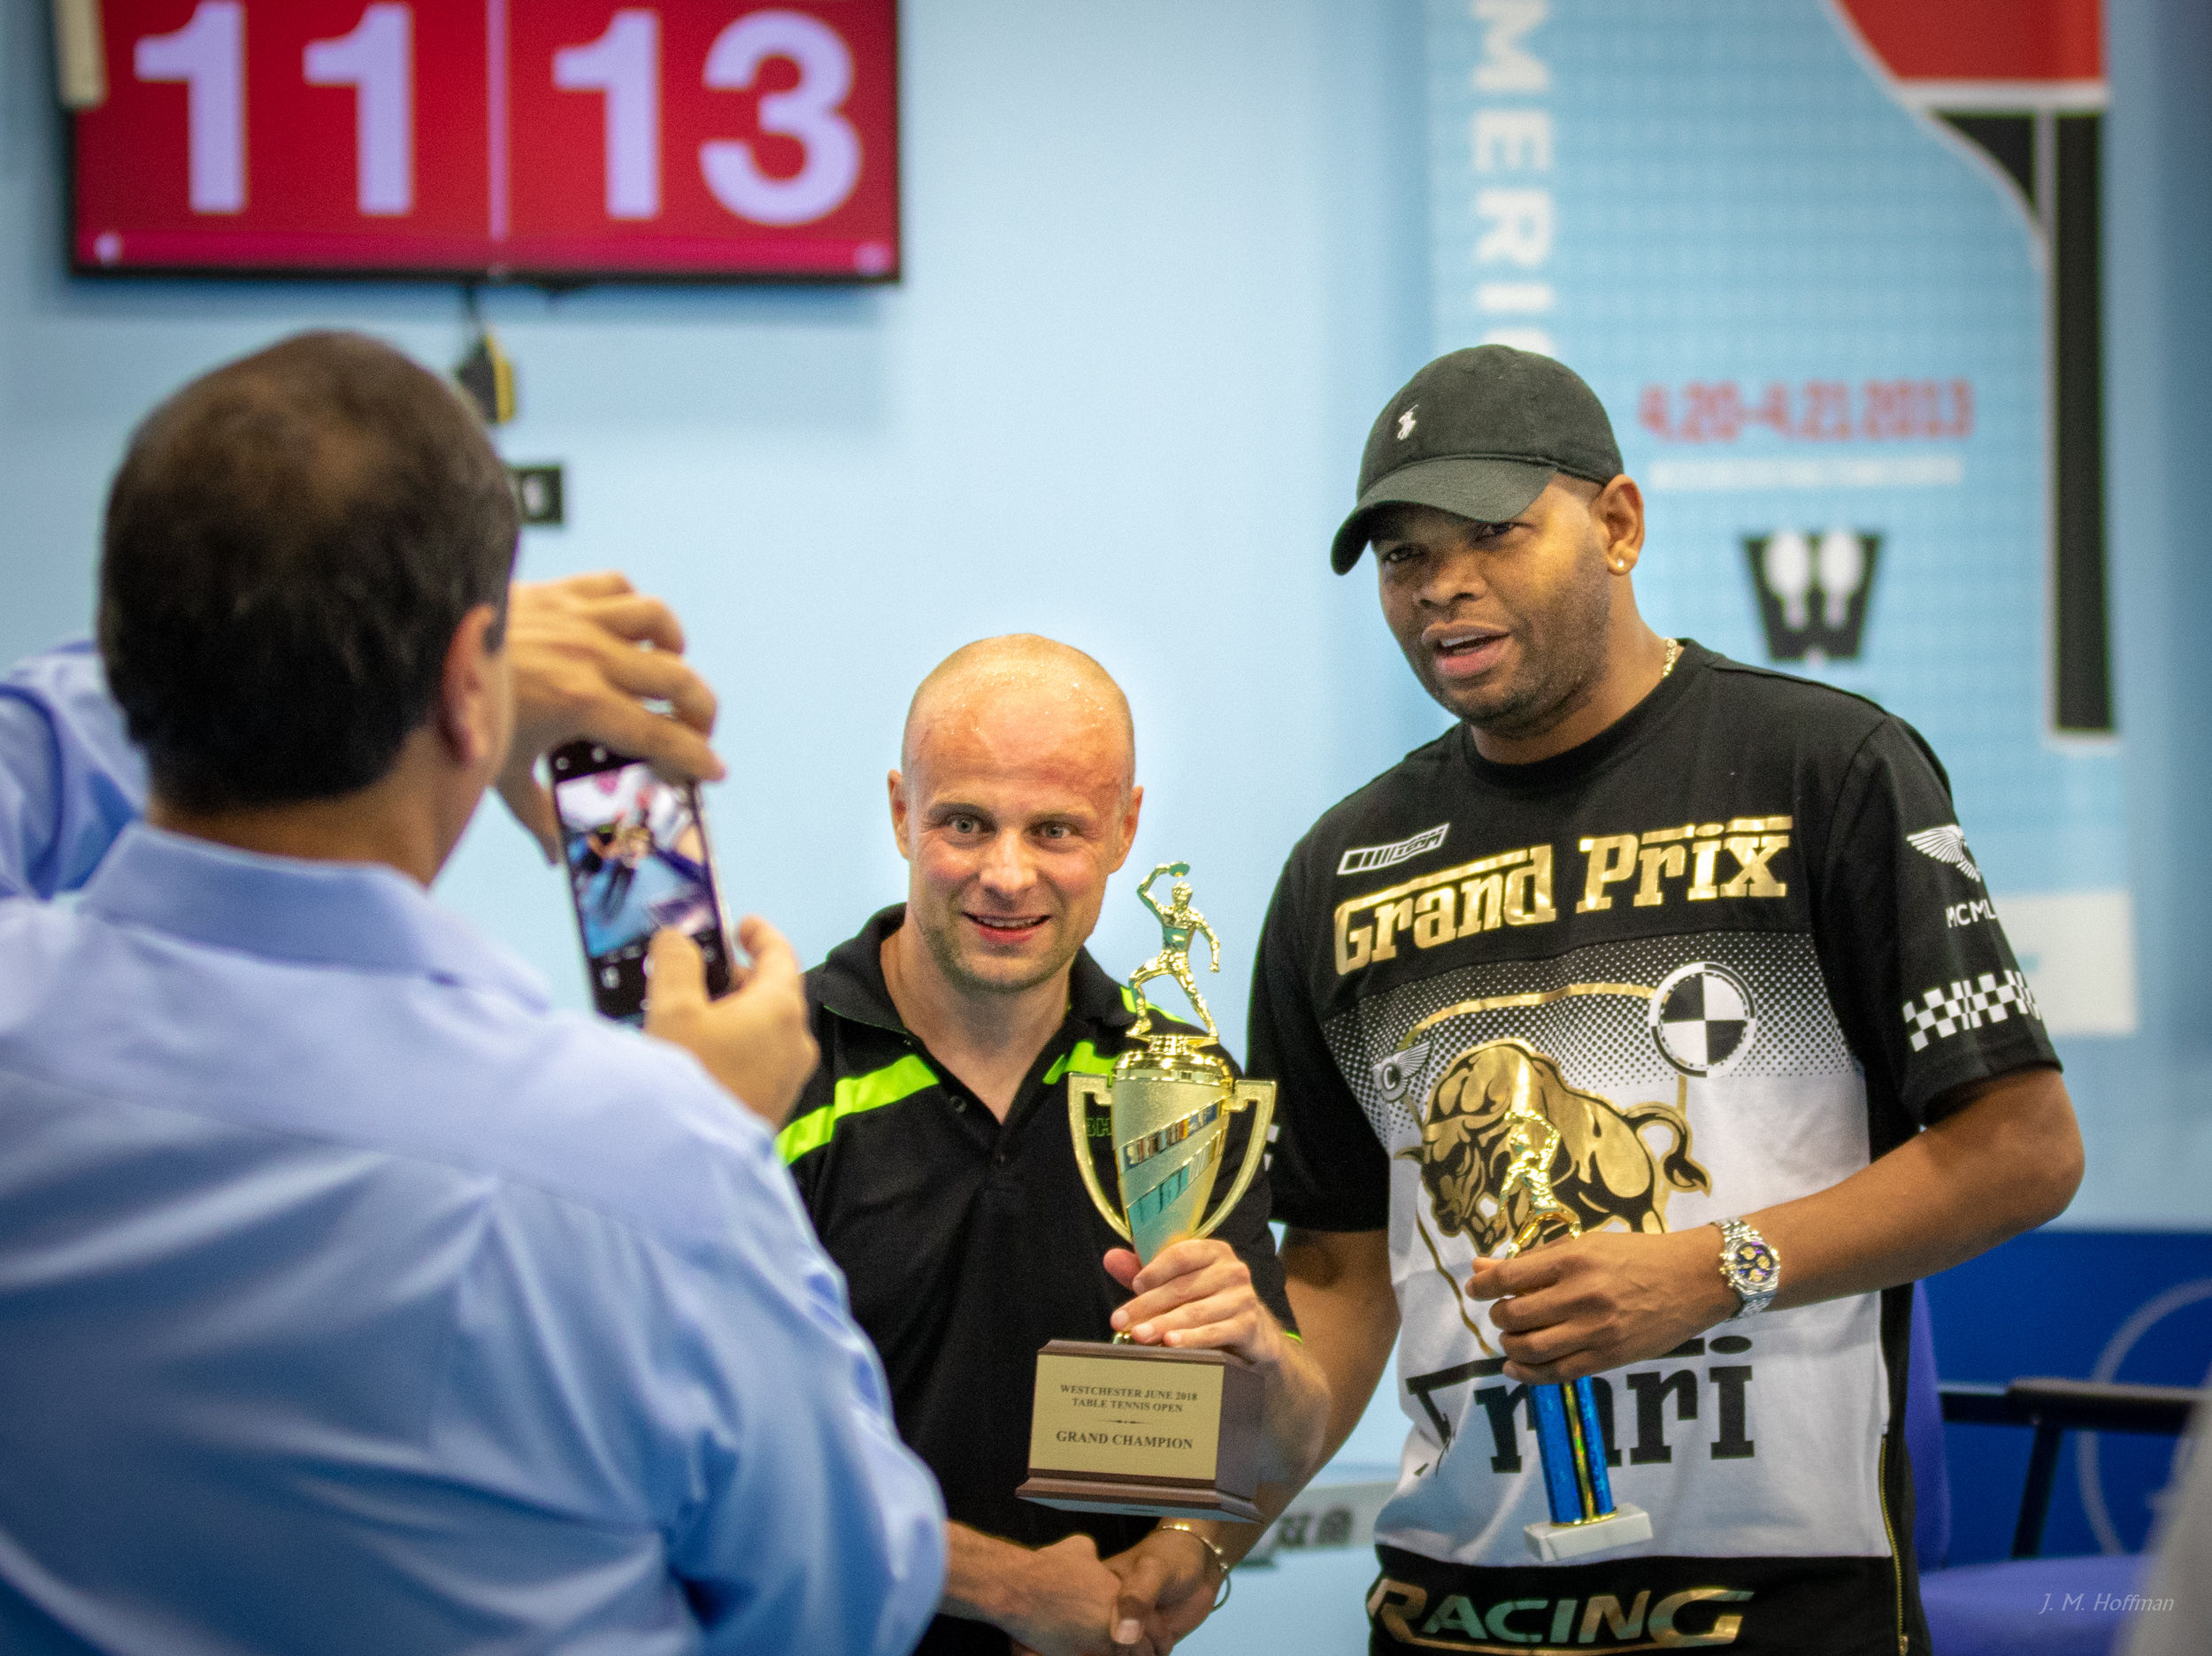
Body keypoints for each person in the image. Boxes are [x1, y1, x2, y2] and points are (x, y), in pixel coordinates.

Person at [0, 331, 946, 1654]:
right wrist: (711, 1136)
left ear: (129, 653)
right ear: (467, 690)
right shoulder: (651, 1162)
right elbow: (846, 1600)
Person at [1252, 345, 2085, 1655]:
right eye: (1404, 557)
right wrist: (1196, 1526)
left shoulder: (1828, 768)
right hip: (1450, 1618)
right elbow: (1344, 1268)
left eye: (1490, 532)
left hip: (1786, 1610)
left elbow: (2022, 1151)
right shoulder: (1340, 871)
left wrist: (1714, 1269)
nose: (1442, 587)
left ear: (1619, 524)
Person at [779, 635, 1331, 1656]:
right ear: (901, 811)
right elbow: (712, 1453)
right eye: (964, 822)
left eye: (1056, 829)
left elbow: (1284, 1434)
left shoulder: (1172, 1083)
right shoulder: (769, 1070)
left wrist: (1205, 1520)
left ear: (1123, 829)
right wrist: (1012, 1589)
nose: (1006, 873)